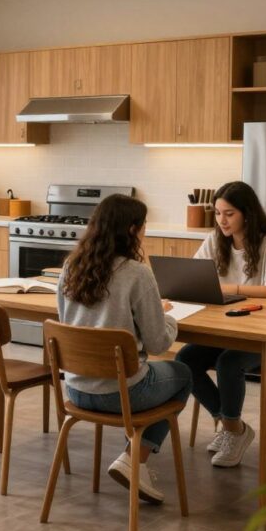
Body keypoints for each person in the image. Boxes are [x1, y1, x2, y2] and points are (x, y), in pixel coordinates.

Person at [57, 194, 191, 505]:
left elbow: (69, 324)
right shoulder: (137, 273)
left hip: (76, 390)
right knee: (183, 373)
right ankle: (135, 460)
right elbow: (158, 343)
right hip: (122, 393)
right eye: (144, 226)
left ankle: (134, 456)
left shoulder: (70, 267)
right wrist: (168, 318)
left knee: (152, 378)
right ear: (132, 230)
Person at [176, 181, 266, 468]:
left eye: (229, 214)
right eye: (217, 213)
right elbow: (194, 275)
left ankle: (231, 430)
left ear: (247, 213)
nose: (221, 221)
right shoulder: (216, 240)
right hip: (226, 332)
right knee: (185, 360)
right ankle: (233, 428)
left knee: (229, 363)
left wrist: (232, 288)